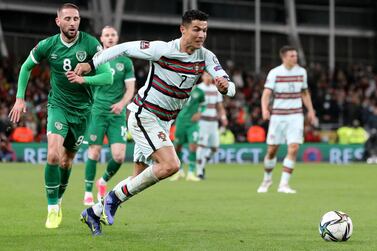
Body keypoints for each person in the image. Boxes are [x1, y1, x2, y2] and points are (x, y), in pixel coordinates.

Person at [76, 9, 236, 236]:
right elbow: (123, 48)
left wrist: (225, 87)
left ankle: (94, 212)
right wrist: (92, 64)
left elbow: (230, 86)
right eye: (196, 29)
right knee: (171, 165)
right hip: (144, 115)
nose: (201, 35)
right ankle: (111, 200)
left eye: (205, 30)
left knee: (138, 178)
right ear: (183, 29)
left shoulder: (206, 57)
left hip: (164, 122)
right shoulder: (162, 50)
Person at [8, 3, 112, 229]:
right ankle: (52, 208)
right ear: (58, 22)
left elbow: (108, 78)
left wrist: (85, 79)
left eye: (76, 19)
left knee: (66, 160)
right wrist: (19, 97)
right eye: (68, 19)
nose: (73, 23)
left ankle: (60, 198)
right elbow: (26, 67)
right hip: (58, 106)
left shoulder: (91, 44)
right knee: (53, 155)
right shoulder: (48, 45)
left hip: (83, 111)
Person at [83, 26, 136, 206]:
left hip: (117, 114)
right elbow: (85, 82)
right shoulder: (95, 60)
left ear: (117, 37)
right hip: (97, 112)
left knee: (119, 156)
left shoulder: (126, 62)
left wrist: (122, 104)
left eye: (113, 34)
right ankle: (88, 192)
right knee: (94, 151)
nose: (110, 37)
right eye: (107, 35)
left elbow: (130, 89)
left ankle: (103, 181)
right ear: (102, 39)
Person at [257, 45, 316, 194]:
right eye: (292, 56)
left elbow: (304, 93)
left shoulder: (302, 72)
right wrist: (264, 109)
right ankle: (267, 179)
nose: (295, 58)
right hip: (278, 115)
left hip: (295, 115)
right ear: (284, 57)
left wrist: (310, 110)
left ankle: (283, 184)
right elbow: (266, 93)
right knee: (272, 150)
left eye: (295, 55)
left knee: (294, 147)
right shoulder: (275, 73)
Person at [170, 85, 206, 182]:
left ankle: (191, 172)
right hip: (181, 122)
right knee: (178, 146)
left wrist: (199, 113)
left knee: (193, 146)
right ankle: (179, 171)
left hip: (192, 124)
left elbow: (204, 105)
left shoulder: (200, 92)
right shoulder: (180, 89)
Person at [196, 72, 228, 179]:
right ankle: (199, 172)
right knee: (201, 146)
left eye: (209, 76)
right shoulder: (198, 89)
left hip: (213, 122)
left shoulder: (216, 90)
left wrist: (223, 117)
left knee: (215, 148)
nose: (208, 78)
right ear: (202, 77)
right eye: (206, 75)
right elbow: (193, 105)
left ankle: (203, 162)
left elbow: (219, 106)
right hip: (202, 122)